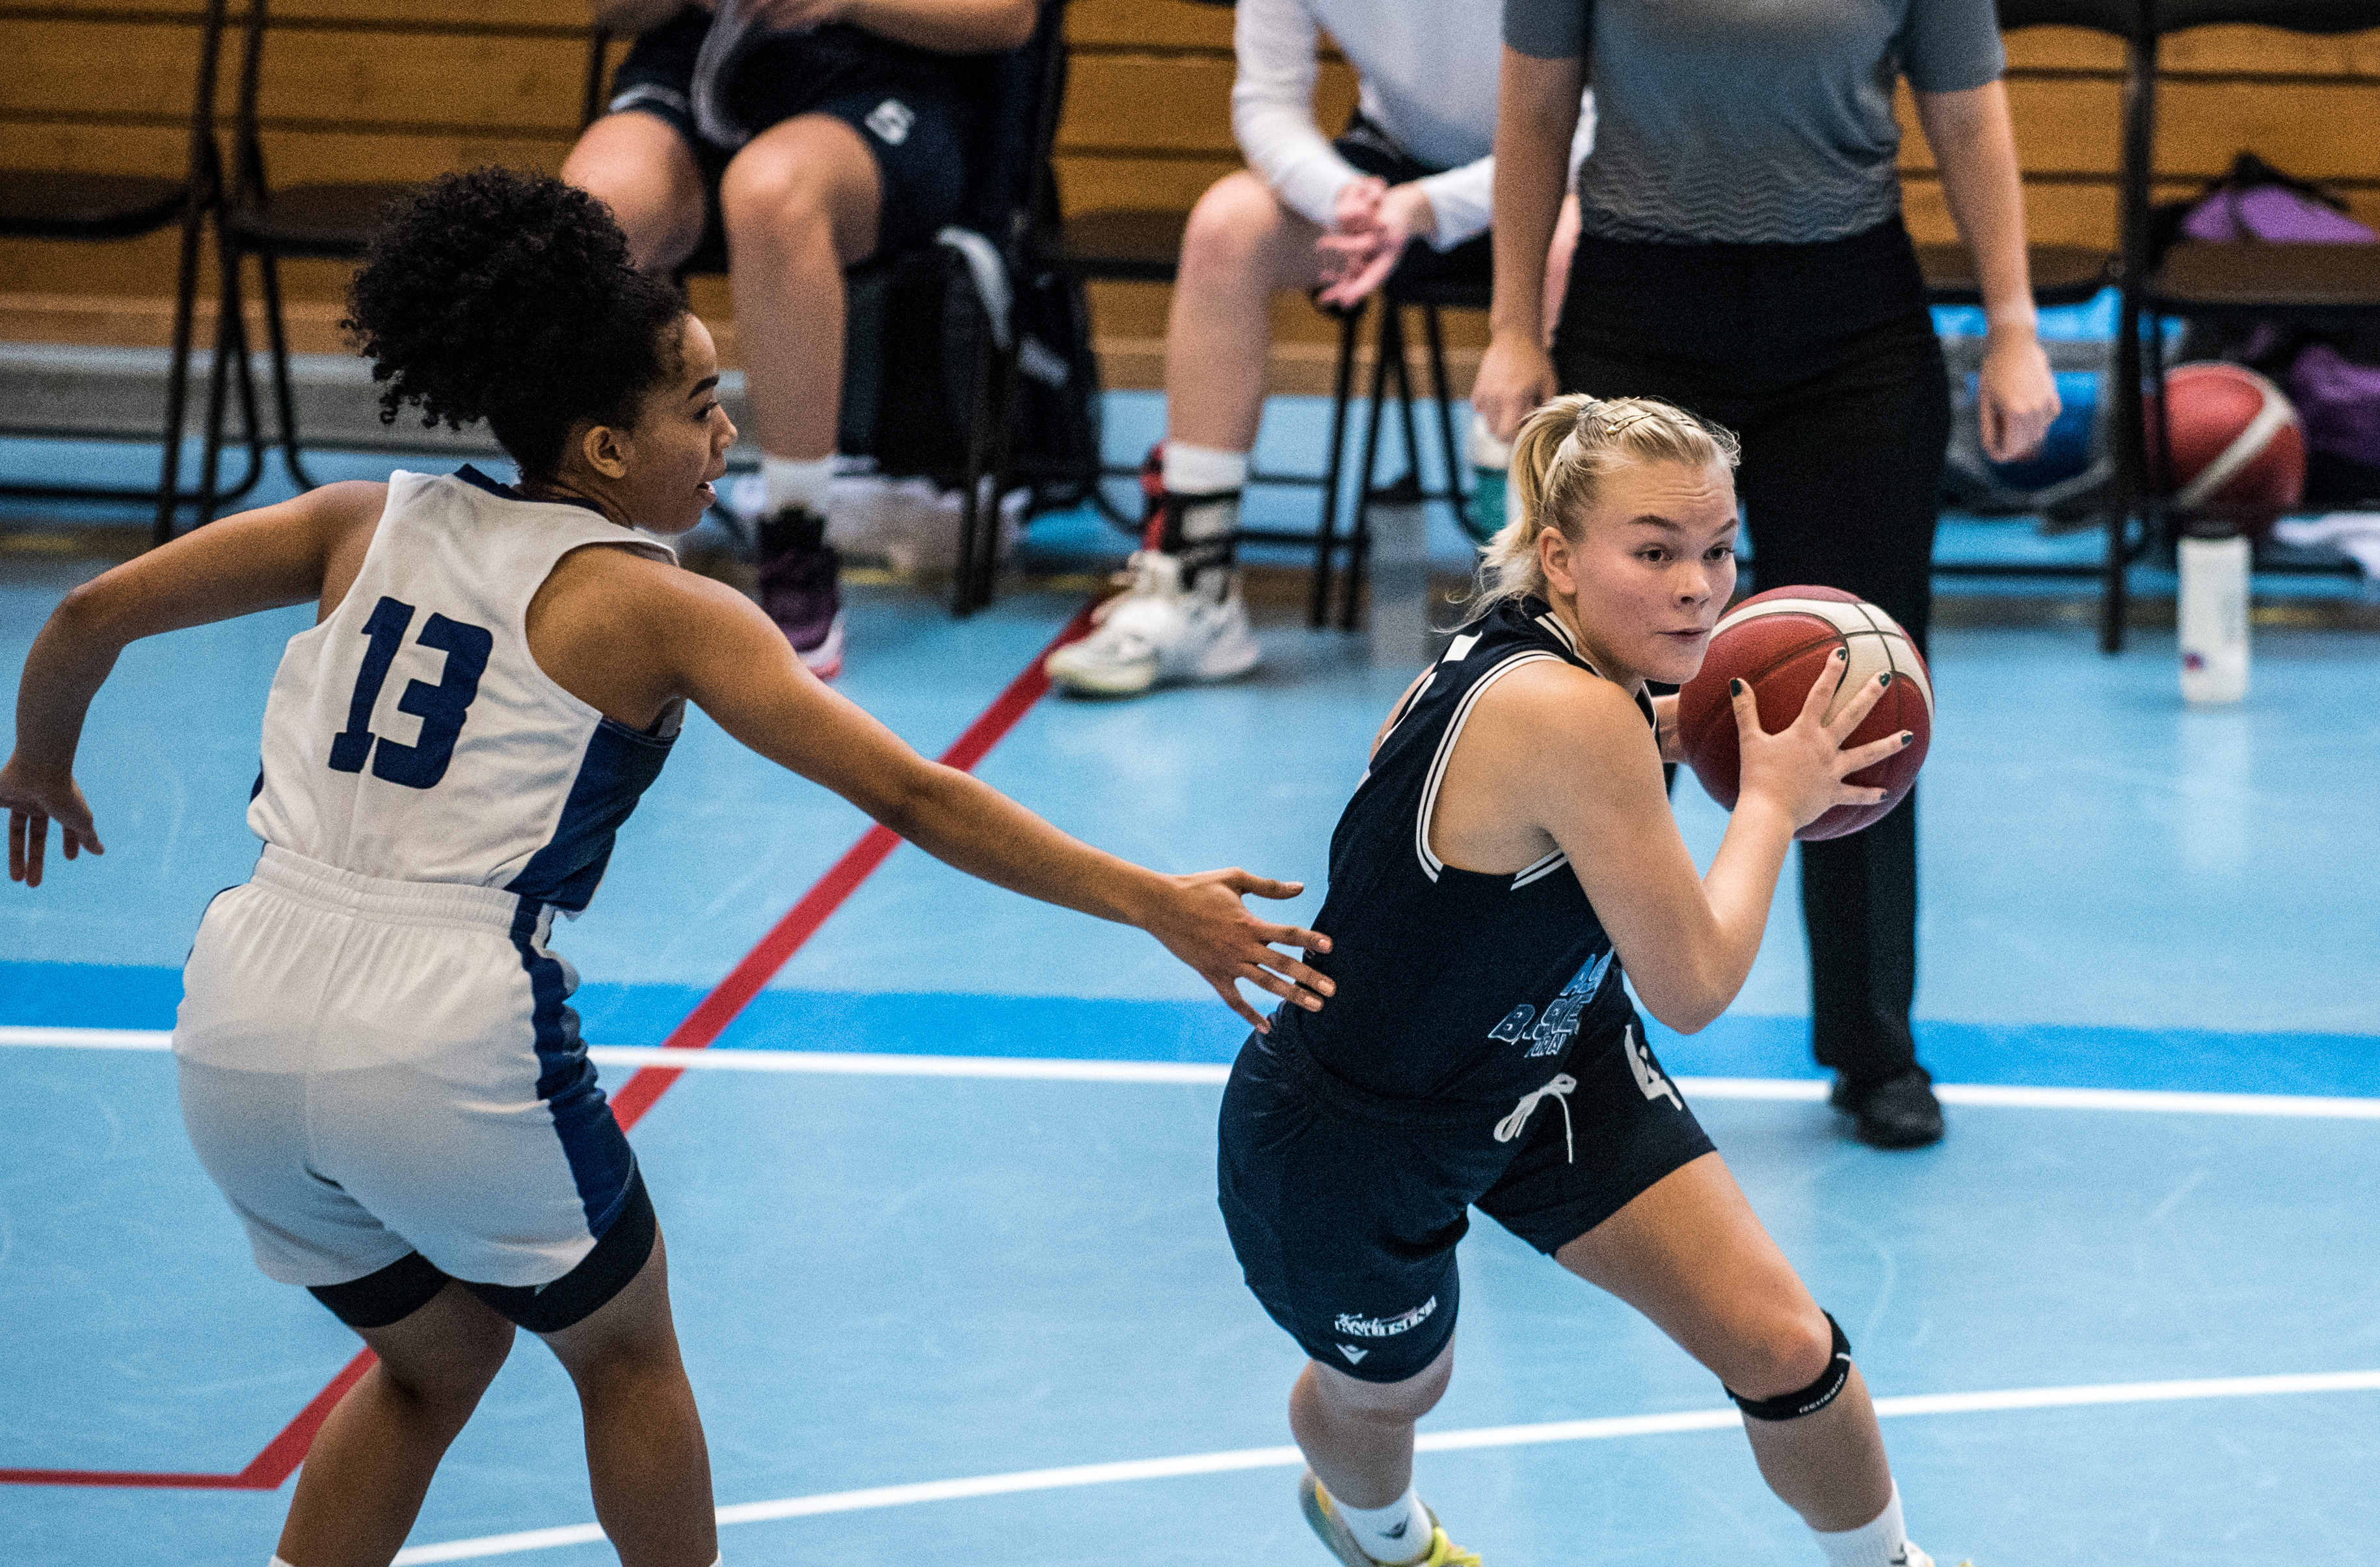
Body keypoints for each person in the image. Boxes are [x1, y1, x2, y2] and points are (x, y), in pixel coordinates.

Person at [0, 168, 1335, 1567]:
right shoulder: (655, 605)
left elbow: (87, 612)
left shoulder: (362, 520)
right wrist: (1157, 900)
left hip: (238, 1011)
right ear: (608, 452)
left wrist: (39, 759)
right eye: (700, 400)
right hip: (447, 1011)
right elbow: (915, 799)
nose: (727, 427)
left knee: (435, 1352)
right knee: (621, 1348)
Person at [1217, 395, 2081, 1567]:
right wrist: (1774, 801)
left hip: (1547, 1058)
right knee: (1389, 1387)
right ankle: (1381, 1536)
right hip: (1349, 1128)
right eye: (1652, 550)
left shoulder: (1597, 682)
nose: (1695, 589)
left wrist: (1693, 735)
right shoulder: (1562, 712)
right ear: (1558, 555)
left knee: (1782, 1339)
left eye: (1716, 551)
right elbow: (1692, 982)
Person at [1473, 0, 2064, 1149]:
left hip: (1850, 319)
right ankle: (1542, 1042)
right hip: (1637, 303)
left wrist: (2011, 322)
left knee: (1861, 687)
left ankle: (1871, 1045)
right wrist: (1511, 325)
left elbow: (1965, 112)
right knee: (1588, 700)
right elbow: (1534, 103)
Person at [1044, 0, 1591, 699]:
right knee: (1226, 229)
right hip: (1389, 172)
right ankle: (1196, 584)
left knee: (1567, 249)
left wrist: (1423, 209)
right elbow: (1265, 104)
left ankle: (1533, 613)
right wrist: (1342, 199)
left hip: (1567, 162)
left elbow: (1588, 123)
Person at [563, 0, 1037, 681]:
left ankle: (796, 535)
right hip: (695, 75)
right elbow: (610, 9)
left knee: (772, 193)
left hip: (885, 88)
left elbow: (1010, 18)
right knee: (591, 210)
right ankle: (599, 521)